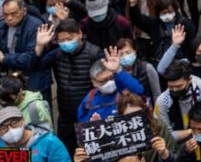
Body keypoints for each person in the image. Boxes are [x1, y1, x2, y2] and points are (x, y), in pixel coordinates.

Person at [31, 20, 101, 153]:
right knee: (65, 150)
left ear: (80, 34)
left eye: (69, 39)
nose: (66, 43)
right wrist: (39, 45)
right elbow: (34, 66)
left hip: (89, 113)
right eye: (61, 40)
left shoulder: (94, 53)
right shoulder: (57, 54)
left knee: (90, 151)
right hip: (65, 115)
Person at [155, 60, 201, 146]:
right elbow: (166, 135)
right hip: (178, 147)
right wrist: (193, 131)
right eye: (171, 87)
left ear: (189, 79)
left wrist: (197, 131)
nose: (175, 90)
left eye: (179, 86)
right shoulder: (162, 101)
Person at [75, 48, 146, 122]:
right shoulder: (90, 98)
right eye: (103, 81)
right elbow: (81, 122)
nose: (109, 83)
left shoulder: (123, 90)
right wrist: (92, 123)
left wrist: (118, 70)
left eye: (111, 78)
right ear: (94, 82)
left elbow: (139, 91)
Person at [0, 0, 49, 97]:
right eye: (6, 14)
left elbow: (29, 59)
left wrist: (4, 58)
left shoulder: (36, 26)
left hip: (33, 79)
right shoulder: (2, 26)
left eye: (14, 13)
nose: (9, 18)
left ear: (24, 11)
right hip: (12, 79)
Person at [0, 105, 70, 161]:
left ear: (23, 120)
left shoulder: (49, 143)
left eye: (14, 123)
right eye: (3, 127)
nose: (10, 129)